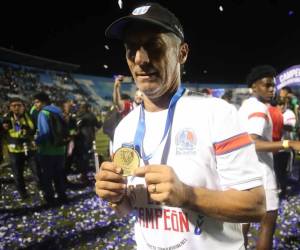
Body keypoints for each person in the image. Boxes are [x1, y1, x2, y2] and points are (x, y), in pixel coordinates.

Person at [95, 3, 266, 249]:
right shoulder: (125, 127)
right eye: (131, 49)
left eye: (154, 46)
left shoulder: (217, 113)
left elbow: (257, 205)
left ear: (182, 53)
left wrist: (188, 195)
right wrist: (115, 196)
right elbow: (129, 208)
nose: (140, 59)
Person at [238, 65, 300, 249]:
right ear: (254, 87)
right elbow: (252, 142)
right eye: (266, 85)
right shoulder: (259, 109)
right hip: (261, 173)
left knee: (243, 224)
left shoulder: (245, 106)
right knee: (268, 223)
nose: (272, 89)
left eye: (273, 85)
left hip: (244, 172)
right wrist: (288, 144)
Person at [2, 97, 40, 199]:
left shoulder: (29, 117)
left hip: (30, 149)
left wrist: (28, 132)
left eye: (19, 105)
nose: (17, 108)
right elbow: (4, 134)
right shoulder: (6, 119)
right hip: (15, 151)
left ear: (23, 107)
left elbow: (35, 129)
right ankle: (23, 195)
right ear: (10, 108)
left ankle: (42, 189)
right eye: (14, 106)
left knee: (37, 171)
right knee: (18, 175)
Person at [33, 92, 68, 204]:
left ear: (43, 102)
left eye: (37, 102)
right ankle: (62, 196)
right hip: (60, 149)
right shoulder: (58, 111)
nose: (35, 105)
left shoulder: (43, 113)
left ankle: (50, 199)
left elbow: (45, 132)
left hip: (47, 150)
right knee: (59, 175)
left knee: (47, 177)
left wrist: (36, 141)